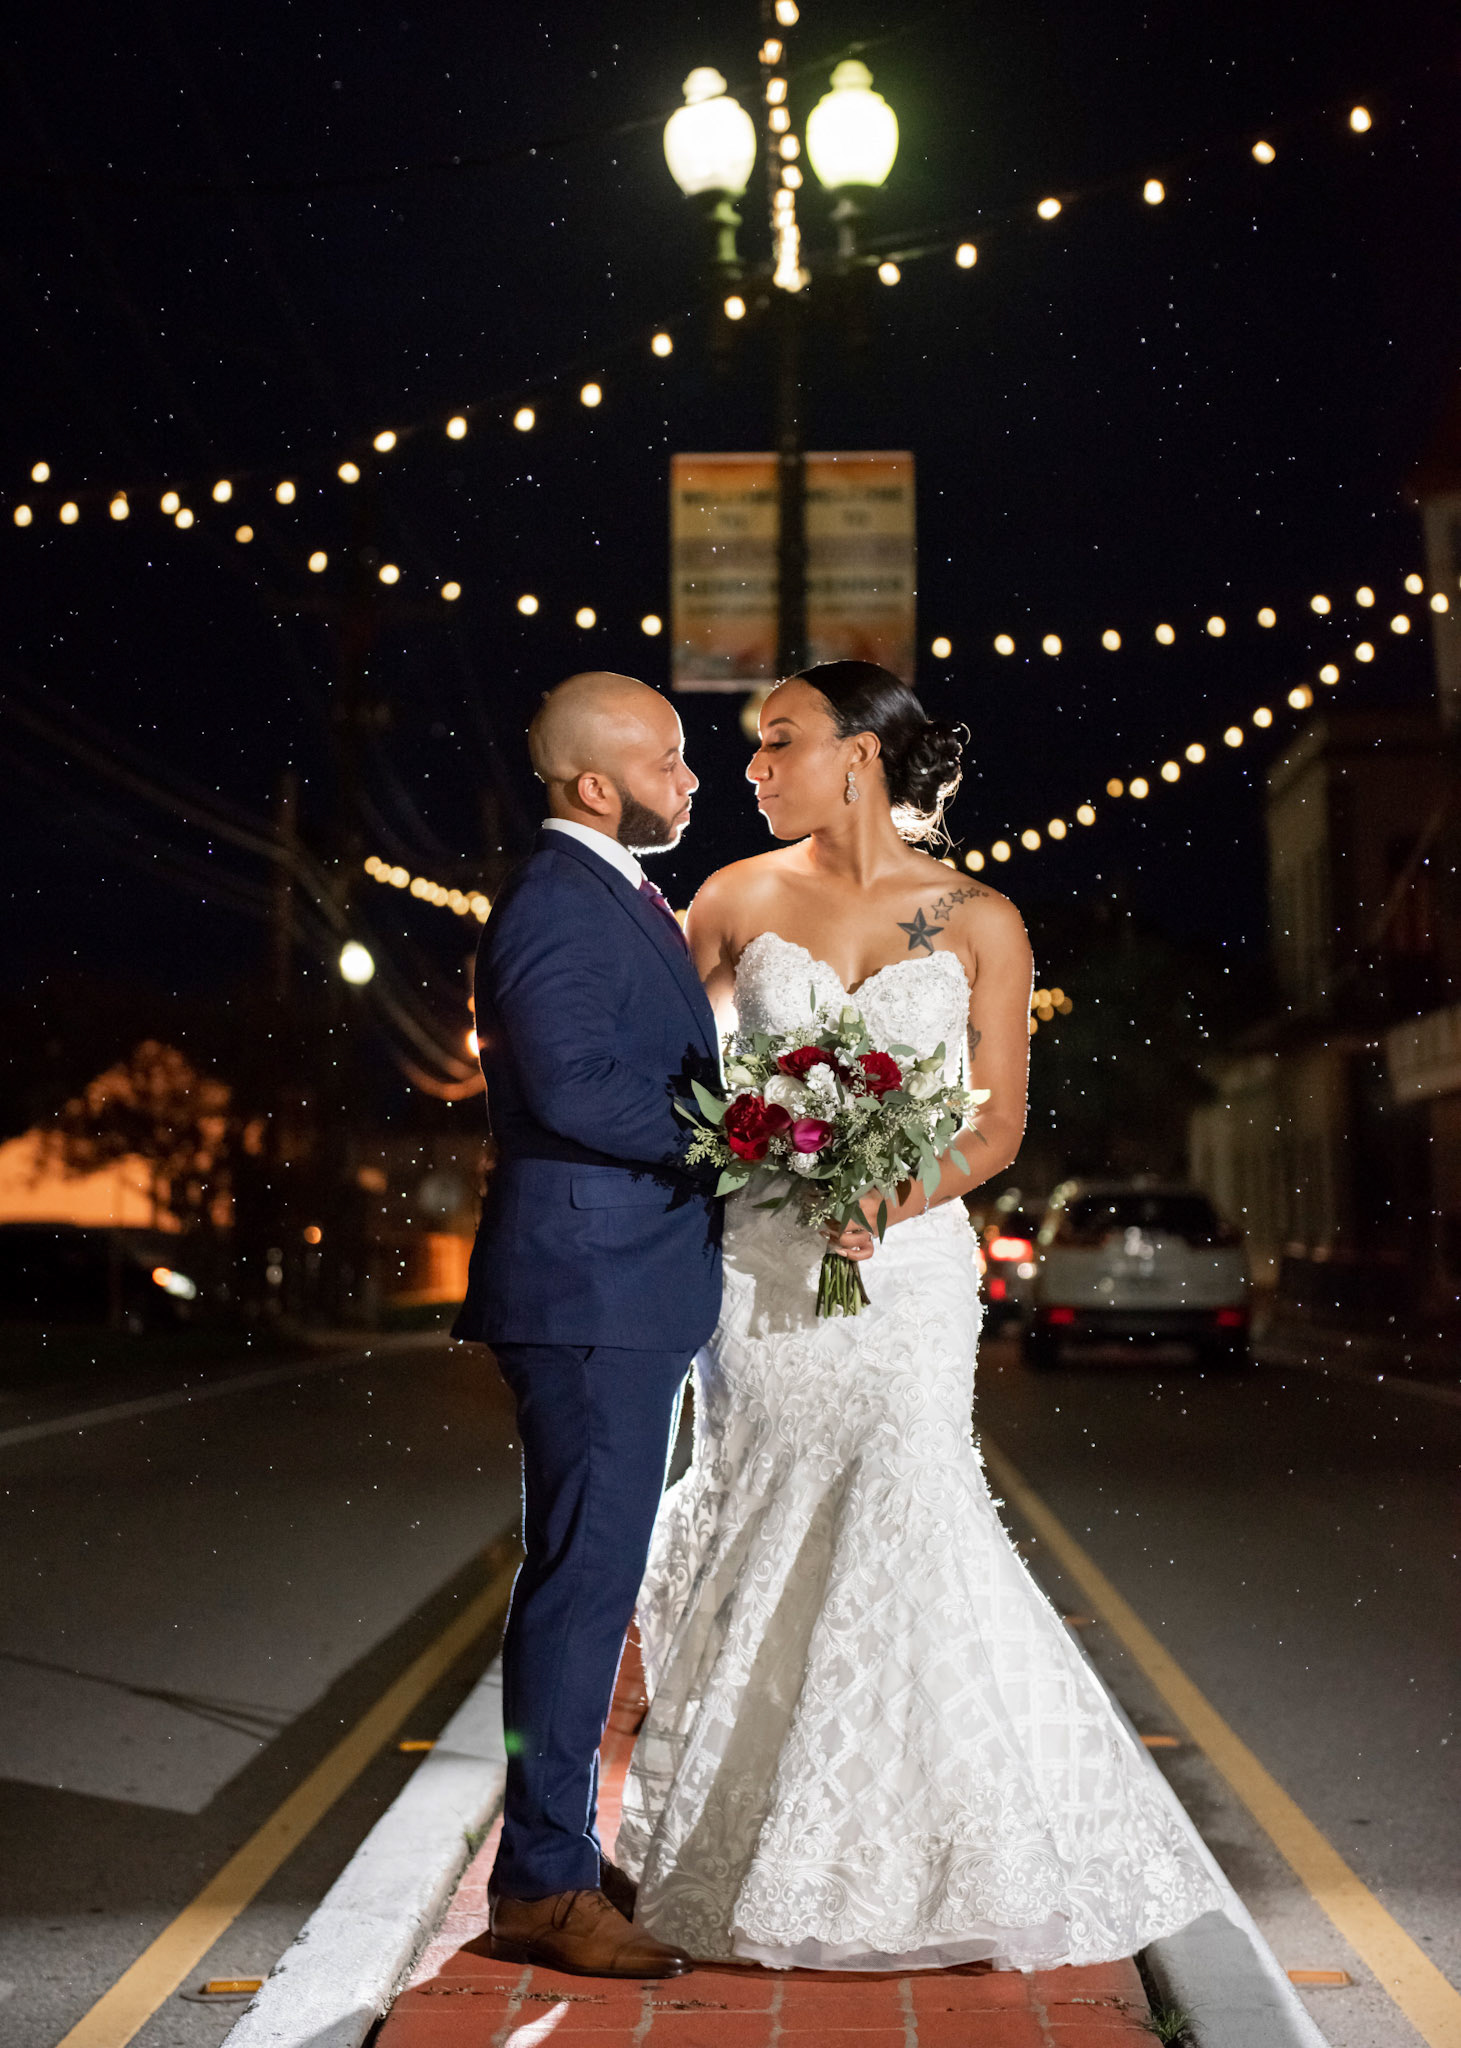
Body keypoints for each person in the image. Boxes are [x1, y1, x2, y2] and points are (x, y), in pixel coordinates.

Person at [616, 660, 1220, 1970]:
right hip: (760, 1271)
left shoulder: (982, 918)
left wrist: (881, 1196)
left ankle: (924, 1855)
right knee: (763, 1519)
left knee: (904, 1512)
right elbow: (652, 1062)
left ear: (861, 755)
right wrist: (750, 1141)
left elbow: (995, 1126)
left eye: (779, 740)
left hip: (909, 1275)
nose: (752, 768)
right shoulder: (730, 899)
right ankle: (744, 1839)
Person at [452, 671, 722, 1979]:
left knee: (586, 1580)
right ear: (597, 785)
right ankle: (543, 1885)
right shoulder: (559, 899)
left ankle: (553, 1853)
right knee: (581, 1587)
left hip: (618, 1283)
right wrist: (739, 1132)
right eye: (668, 761)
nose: (691, 779)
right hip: (590, 1285)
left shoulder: (611, 891)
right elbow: (569, 1083)